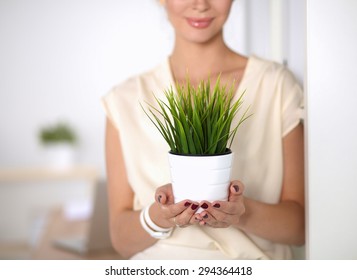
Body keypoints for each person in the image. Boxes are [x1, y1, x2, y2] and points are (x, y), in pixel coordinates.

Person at [102, 0, 305, 260]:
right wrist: (158, 216)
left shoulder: (276, 85)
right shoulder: (125, 99)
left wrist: (241, 212)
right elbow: (121, 240)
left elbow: (299, 228)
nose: (200, 4)